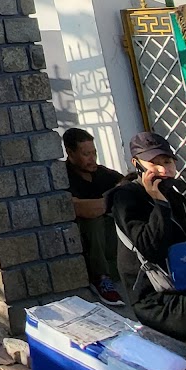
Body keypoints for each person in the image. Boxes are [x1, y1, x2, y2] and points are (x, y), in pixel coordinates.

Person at [108, 131, 186, 340]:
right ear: (137, 164)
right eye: (154, 163)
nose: (163, 169)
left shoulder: (177, 199)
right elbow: (150, 247)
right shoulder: (125, 198)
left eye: (167, 161)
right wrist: (159, 202)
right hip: (158, 301)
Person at [63, 128, 125, 305]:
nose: (92, 158)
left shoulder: (102, 173)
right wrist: (111, 199)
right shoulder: (65, 177)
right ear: (70, 153)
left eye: (94, 153)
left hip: (110, 241)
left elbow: (126, 184)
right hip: (84, 241)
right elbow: (82, 209)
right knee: (94, 221)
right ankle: (100, 278)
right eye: (86, 154)